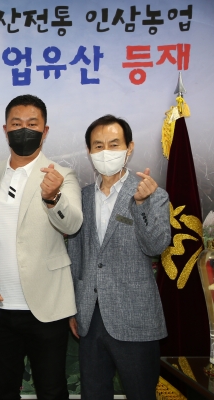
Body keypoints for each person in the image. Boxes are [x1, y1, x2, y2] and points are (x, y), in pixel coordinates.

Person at [0, 94, 83, 400]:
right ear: (5, 129)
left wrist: (53, 198)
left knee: (51, 390)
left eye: (32, 124)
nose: (24, 130)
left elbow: (73, 224)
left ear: (45, 131)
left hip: (46, 305)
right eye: (16, 124)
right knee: (2, 389)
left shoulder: (61, 175)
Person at [67, 115, 170, 400]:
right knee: (93, 393)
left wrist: (142, 205)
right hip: (90, 317)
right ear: (89, 151)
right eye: (98, 146)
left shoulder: (152, 194)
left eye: (114, 144)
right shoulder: (82, 197)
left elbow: (157, 246)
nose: (106, 152)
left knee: (141, 393)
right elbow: (76, 254)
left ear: (129, 148)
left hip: (135, 318)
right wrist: (73, 307)